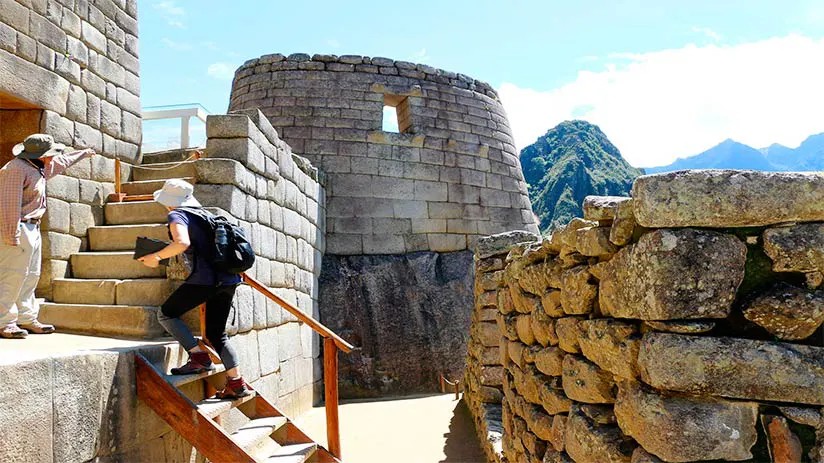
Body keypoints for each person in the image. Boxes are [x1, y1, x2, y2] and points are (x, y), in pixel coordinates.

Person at [138, 178, 250, 399]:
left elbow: (182, 243)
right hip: (228, 280)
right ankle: (236, 383)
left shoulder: (177, 215)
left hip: (204, 280)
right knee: (217, 334)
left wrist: (156, 257)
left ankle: (198, 357)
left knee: (166, 314)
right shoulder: (206, 215)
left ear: (169, 201)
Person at [0, 134, 95, 339]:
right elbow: (8, 205)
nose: (53, 158)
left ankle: (26, 318)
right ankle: (4, 322)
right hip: (17, 227)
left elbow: (62, 162)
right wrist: (11, 236)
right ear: (41, 155)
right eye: (50, 154)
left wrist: (83, 154)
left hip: (32, 228)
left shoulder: (38, 167)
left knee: (31, 275)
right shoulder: (15, 170)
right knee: (12, 275)